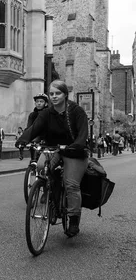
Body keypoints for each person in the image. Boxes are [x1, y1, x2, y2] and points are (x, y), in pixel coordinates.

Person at [16, 80, 88, 238]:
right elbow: (34, 129)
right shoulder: (46, 113)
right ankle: (52, 199)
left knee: (71, 184)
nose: (54, 96)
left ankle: (74, 219)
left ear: (65, 95)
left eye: (58, 93)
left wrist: (77, 145)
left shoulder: (76, 111)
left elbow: (83, 134)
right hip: (53, 148)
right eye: (52, 94)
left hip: (74, 151)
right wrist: (23, 139)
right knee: (41, 167)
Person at [25, 93, 49, 163]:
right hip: (35, 139)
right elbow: (29, 127)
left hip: (46, 139)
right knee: (33, 160)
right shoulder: (32, 115)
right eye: (37, 102)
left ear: (46, 104)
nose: (39, 103)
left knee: (45, 162)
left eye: (41, 102)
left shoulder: (48, 114)